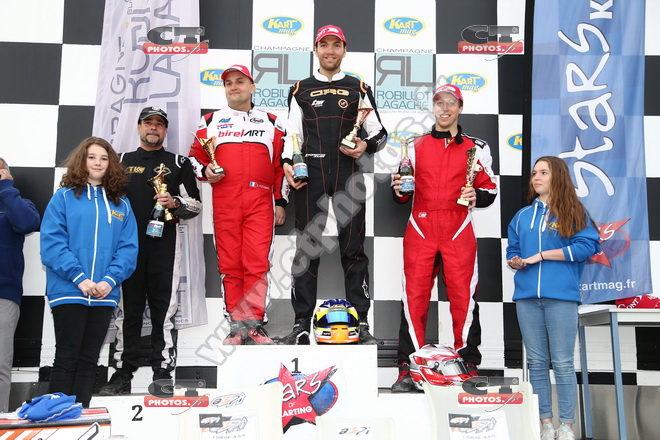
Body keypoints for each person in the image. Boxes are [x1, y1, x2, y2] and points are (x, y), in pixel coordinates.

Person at [278, 25, 387, 345]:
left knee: (353, 250)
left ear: (344, 49)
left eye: (335, 45)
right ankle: (301, 323)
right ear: (316, 49)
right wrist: (287, 164)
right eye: (324, 45)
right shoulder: (300, 88)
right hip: (309, 174)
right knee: (306, 249)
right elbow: (291, 134)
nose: (329, 51)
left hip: (347, 176)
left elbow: (380, 133)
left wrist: (365, 145)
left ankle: (361, 322)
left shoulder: (358, 87)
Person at [390, 84, 498, 392]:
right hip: (421, 227)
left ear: (460, 108)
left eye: (451, 103)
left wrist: (476, 195)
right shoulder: (414, 145)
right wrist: (397, 189)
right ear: (434, 107)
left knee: (464, 299)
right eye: (440, 103)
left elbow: (489, 189)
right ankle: (408, 368)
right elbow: (401, 193)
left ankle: (467, 364)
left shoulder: (477, 147)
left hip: (458, 227)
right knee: (414, 299)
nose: (445, 108)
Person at [100, 107, 202, 395]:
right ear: (139, 127)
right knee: (127, 312)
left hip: (164, 247)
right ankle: (123, 371)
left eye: (159, 124)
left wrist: (175, 203)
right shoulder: (120, 161)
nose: (153, 128)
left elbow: (195, 205)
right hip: (126, 250)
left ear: (165, 130)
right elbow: (104, 201)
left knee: (163, 311)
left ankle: (162, 372)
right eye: (148, 123)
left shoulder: (178, 163)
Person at [189, 64, 288, 345]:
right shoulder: (210, 121)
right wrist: (205, 171)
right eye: (229, 83)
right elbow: (194, 158)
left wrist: (280, 201)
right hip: (225, 200)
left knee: (257, 263)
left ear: (252, 87)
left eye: (240, 81)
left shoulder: (272, 122)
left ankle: (254, 324)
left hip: (261, 201)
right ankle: (236, 326)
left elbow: (280, 166)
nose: (234, 87)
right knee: (230, 264)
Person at [506, 156, 600, 440]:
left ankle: (567, 426)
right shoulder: (522, 215)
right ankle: (545, 424)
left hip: (561, 298)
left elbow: (587, 248)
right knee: (536, 362)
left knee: (562, 362)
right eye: (534, 173)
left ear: (557, 177)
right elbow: (512, 250)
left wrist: (542, 255)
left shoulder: (574, 211)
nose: (536, 177)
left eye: (544, 173)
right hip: (526, 298)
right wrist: (515, 261)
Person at [40, 137, 138, 407]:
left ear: (111, 164)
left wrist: (109, 281)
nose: (98, 163)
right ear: (82, 161)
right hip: (69, 290)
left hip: (104, 294)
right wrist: (80, 279)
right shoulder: (63, 197)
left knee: (89, 360)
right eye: (92, 157)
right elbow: (52, 244)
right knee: (66, 357)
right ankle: (56, 418)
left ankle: (79, 417)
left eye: (104, 158)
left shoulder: (121, 203)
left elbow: (128, 249)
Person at [0, 158, 40, 412]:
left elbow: (28, 223)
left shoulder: (18, 204)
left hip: (3, 295)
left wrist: (6, 188)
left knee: (0, 366)